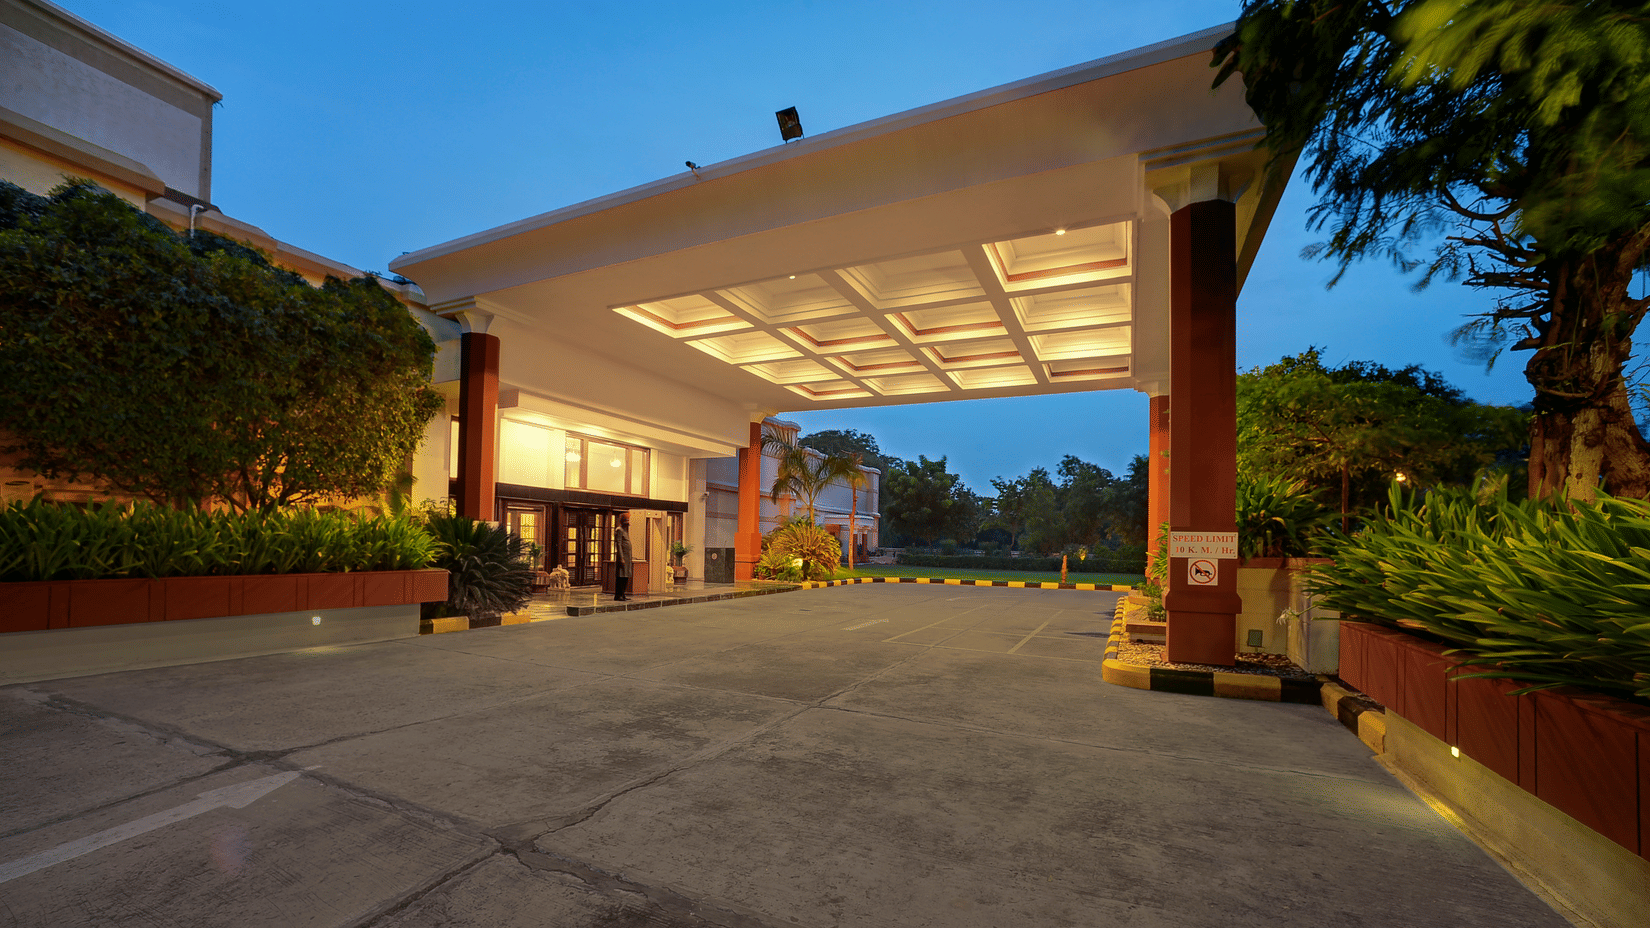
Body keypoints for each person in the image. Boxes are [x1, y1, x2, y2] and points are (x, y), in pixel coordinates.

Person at [613, 512, 633, 601]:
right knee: (621, 576)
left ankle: (623, 594)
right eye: (627, 520)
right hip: (623, 557)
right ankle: (618, 595)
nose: (628, 522)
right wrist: (621, 558)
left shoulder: (625, 531)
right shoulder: (619, 530)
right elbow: (619, 544)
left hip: (627, 558)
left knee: (626, 576)